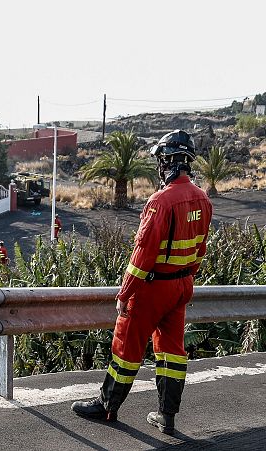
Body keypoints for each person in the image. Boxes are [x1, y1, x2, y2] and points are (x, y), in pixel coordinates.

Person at [71, 130, 213, 435]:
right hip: (182, 286)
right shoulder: (203, 198)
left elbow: (142, 254)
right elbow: (200, 250)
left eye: (162, 160)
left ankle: (107, 405)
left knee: (126, 347)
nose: (160, 167)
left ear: (170, 162)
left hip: (152, 287)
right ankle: (167, 416)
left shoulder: (160, 201)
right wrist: (185, 278)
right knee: (173, 351)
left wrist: (125, 293)